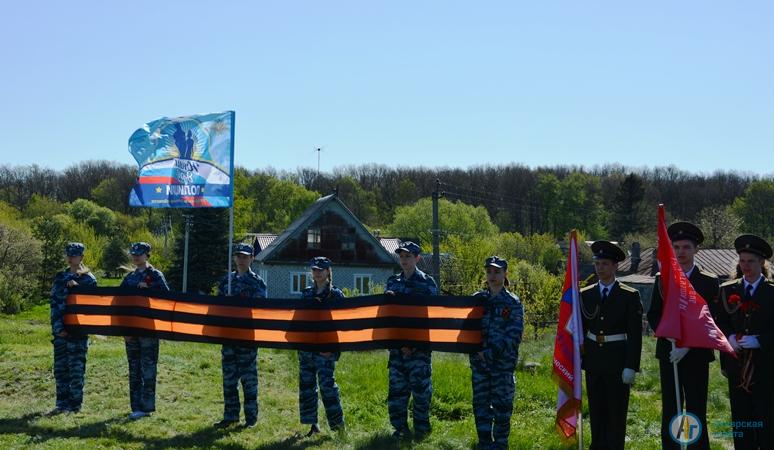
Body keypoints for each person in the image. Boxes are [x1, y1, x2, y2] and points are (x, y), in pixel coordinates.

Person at [647, 222, 720, 449]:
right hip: (670, 353)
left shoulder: (708, 281)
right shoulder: (663, 278)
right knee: (671, 407)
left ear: (696, 250)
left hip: (696, 355)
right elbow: (654, 314)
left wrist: (687, 345)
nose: (681, 252)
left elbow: (711, 321)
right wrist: (667, 334)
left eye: (686, 247)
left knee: (696, 407)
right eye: (676, 247)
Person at [580, 240, 643, 450]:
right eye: (597, 264)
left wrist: (631, 365)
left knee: (616, 413)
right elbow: (580, 330)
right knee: (596, 411)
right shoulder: (585, 294)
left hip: (617, 361)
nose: (600, 268)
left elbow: (635, 334)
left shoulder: (629, 295)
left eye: (605, 264)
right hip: (594, 362)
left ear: (615, 266)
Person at [716, 234, 773, 449]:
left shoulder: (771, 292)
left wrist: (761, 341)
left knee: (766, 421)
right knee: (741, 420)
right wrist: (729, 337)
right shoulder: (727, 290)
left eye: (751, 261)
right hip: (736, 366)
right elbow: (718, 322)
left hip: (766, 367)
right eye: (742, 261)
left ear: (762, 263)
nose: (746, 266)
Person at [384, 241, 438, 439]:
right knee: (397, 393)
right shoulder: (392, 283)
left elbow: (430, 317)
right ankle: (400, 429)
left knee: (421, 392)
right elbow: (388, 317)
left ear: (417, 258)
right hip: (397, 351)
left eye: (408, 256)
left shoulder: (427, 283)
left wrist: (413, 345)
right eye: (402, 256)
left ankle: (422, 429)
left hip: (419, 351)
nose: (404, 260)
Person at [469, 256, 524, 450]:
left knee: (502, 407)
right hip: (480, 365)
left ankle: (500, 444)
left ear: (505, 274)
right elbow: (466, 329)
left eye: (497, 272)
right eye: (489, 271)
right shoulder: (478, 300)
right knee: (481, 406)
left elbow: (514, 336)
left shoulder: (512, 303)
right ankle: (484, 443)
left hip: (502, 366)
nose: (492, 276)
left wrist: (489, 353)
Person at [214, 243, 266, 429]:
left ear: (252, 258)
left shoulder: (257, 282)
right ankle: (230, 416)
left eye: (245, 256)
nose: (241, 260)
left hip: (247, 339)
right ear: (234, 258)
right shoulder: (226, 282)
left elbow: (260, 310)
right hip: (228, 338)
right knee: (229, 380)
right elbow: (216, 306)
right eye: (238, 256)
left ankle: (251, 419)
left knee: (248, 380)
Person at [47, 242, 97, 415]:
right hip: (60, 332)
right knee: (60, 369)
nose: (70, 257)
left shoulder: (88, 279)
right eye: (68, 254)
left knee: (76, 370)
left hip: (78, 332)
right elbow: (53, 303)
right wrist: (57, 328)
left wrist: (79, 289)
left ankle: (75, 405)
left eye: (74, 255)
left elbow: (92, 307)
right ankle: (61, 403)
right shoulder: (60, 277)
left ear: (81, 257)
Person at [121, 241, 169, 420]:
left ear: (147, 255)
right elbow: (120, 303)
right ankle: (135, 407)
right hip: (132, 330)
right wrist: (123, 329)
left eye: (139, 253)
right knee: (134, 369)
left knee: (148, 370)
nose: (135, 256)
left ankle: (147, 407)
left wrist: (150, 289)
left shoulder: (156, 275)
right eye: (133, 253)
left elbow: (166, 300)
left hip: (149, 330)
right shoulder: (129, 278)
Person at [298, 256, 345, 437]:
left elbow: (342, 324)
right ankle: (312, 425)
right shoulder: (306, 294)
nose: (317, 272)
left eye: (320, 269)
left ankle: (338, 426)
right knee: (307, 388)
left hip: (325, 351)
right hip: (306, 350)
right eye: (314, 269)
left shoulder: (336, 295)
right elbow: (299, 321)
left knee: (328, 387)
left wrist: (332, 348)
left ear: (328, 272)